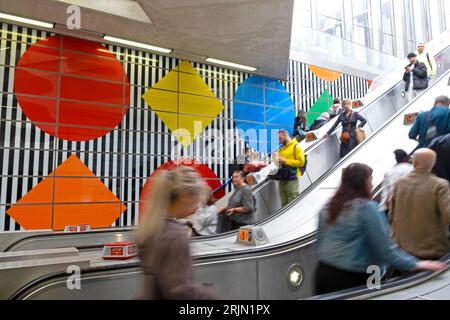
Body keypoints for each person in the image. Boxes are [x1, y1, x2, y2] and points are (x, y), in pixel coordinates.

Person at [314, 163, 446, 295]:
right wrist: (418, 264)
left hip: (324, 274)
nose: (372, 184)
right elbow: (386, 250)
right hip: (357, 279)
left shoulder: (327, 207)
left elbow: (319, 244)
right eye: (370, 179)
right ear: (362, 182)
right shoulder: (366, 208)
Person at [136, 166, 216, 299]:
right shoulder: (175, 234)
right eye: (197, 200)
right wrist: (208, 293)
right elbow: (180, 291)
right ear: (186, 196)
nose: (197, 206)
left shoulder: (152, 227)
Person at [389, 149, 450, 260]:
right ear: (433, 164)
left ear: (414, 162)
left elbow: (391, 216)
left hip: (405, 253)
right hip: (434, 252)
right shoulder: (440, 185)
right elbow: (448, 216)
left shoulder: (398, 183)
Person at [275, 130, 305, 206]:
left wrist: (285, 161)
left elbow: (301, 162)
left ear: (285, 135)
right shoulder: (281, 150)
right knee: (283, 203)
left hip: (292, 179)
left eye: (280, 138)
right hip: (282, 179)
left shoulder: (296, 147)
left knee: (293, 202)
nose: (280, 141)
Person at [380, 150, 413, 214]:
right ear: (406, 157)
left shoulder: (388, 172)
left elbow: (385, 192)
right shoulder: (411, 168)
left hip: (389, 207)